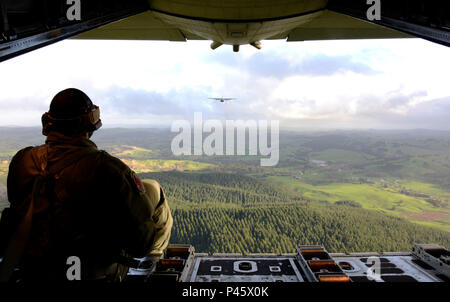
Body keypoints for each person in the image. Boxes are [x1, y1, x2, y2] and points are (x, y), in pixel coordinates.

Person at [0, 88, 173, 282]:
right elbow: (140, 243)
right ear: (88, 124)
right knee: (152, 189)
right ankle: (150, 263)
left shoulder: (22, 160)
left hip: (34, 273)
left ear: (48, 122)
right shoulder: (109, 169)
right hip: (90, 275)